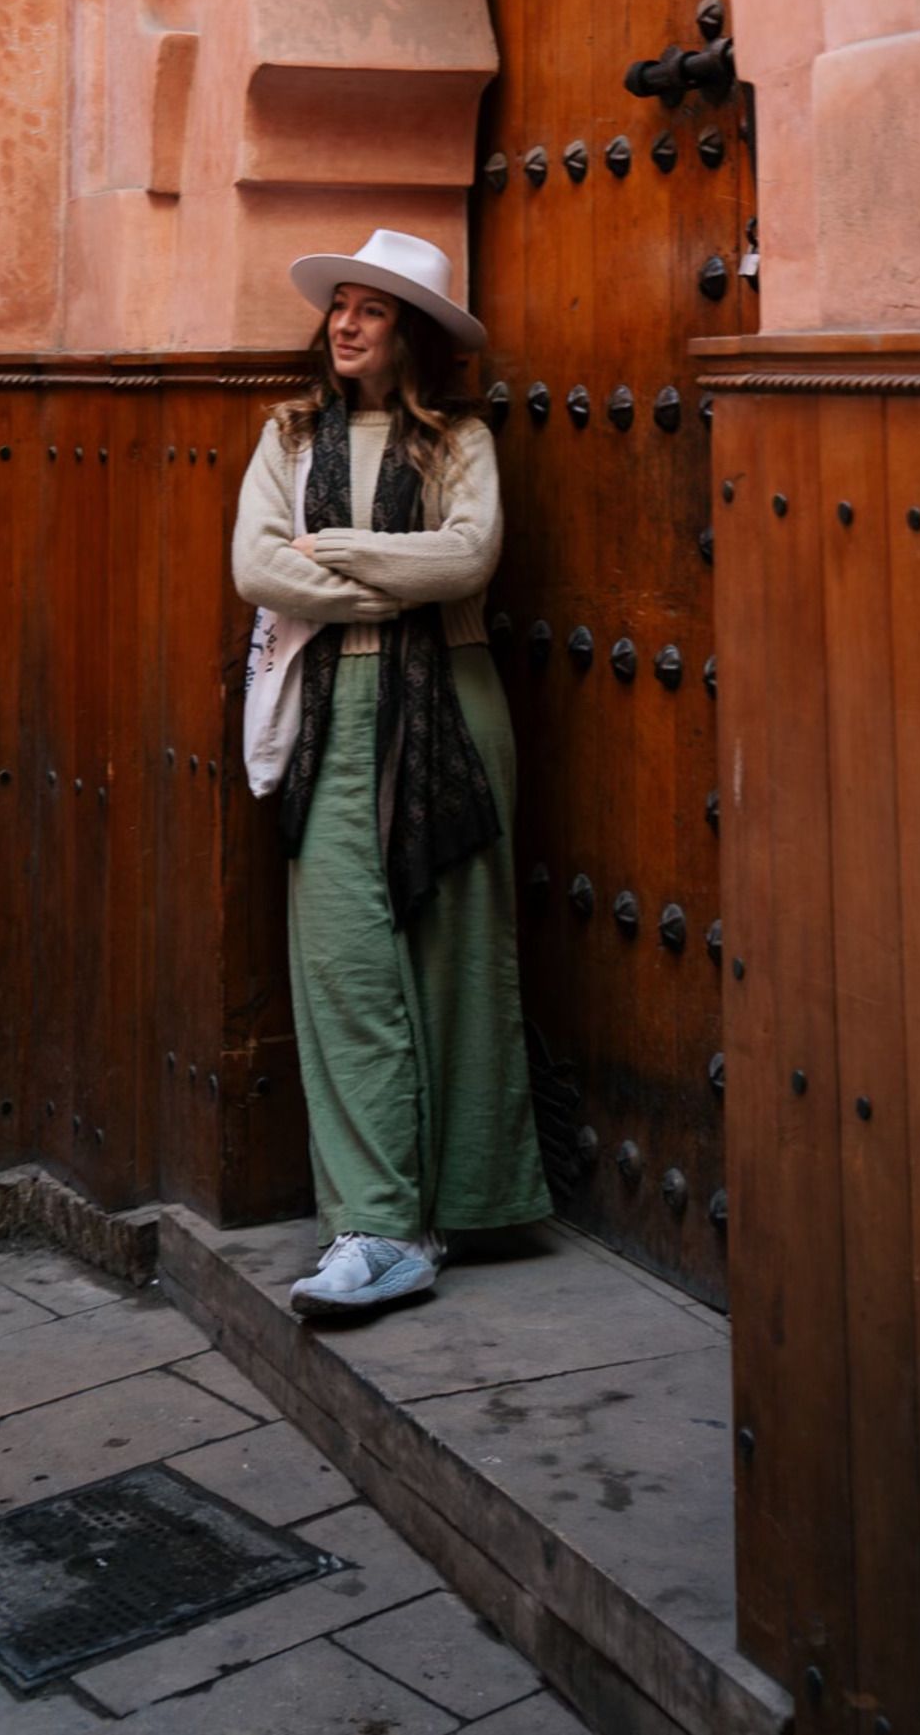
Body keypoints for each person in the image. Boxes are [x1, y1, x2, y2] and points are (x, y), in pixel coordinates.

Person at [232, 227, 552, 1318]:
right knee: (343, 961)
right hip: (334, 705)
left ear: (408, 331)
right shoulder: (283, 435)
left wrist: (331, 554)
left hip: (452, 708)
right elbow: (252, 563)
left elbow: (470, 555)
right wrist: (386, 583)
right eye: (338, 306)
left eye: (370, 308)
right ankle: (374, 1223)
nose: (346, 322)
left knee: (459, 952)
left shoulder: (460, 439)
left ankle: (459, 1206)